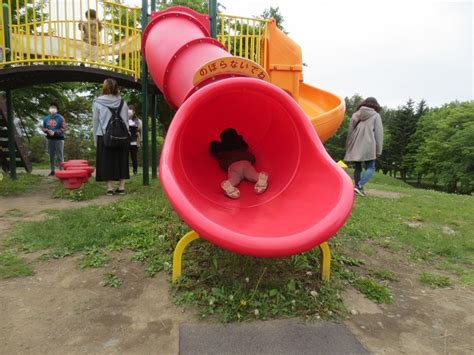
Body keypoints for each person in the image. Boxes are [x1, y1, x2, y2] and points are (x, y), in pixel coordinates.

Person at [92, 78, 130, 195]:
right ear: (116, 88)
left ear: (105, 88)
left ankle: (109, 188)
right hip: (122, 135)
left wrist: (95, 139)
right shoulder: (123, 103)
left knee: (106, 161)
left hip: (104, 136)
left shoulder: (97, 102)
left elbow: (96, 121)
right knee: (122, 160)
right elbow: (126, 121)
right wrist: (125, 135)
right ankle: (121, 187)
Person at [210, 128, 268, 199]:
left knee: (234, 179)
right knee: (252, 174)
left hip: (233, 165)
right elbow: (246, 146)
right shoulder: (240, 145)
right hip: (245, 162)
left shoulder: (223, 149)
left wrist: (214, 144)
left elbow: (213, 150)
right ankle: (259, 177)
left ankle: (229, 184)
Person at [344, 97, 384, 196]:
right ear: (376, 105)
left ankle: (358, 189)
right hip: (369, 144)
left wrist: (348, 145)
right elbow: (379, 134)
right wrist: (379, 150)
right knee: (371, 167)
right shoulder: (376, 116)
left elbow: (350, 132)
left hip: (356, 143)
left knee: (357, 168)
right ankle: (359, 186)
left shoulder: (355, 115)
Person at [41, 103, 66, 176]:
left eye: (54, 107)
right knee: (51, 155)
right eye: (51, 107)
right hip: (49, 139)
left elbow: (63, 128)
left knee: (60, 155)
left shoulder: (61, 118)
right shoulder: (46, 118)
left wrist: (55, 133)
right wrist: (46, 131)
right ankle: (52, 171)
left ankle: (61, 171)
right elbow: (44, 127)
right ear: (49, 109)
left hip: (59, 139)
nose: (52, 109)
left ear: (57, 109)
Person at [128, 105, 142, 175]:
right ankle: (125, 171)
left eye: (131, 110)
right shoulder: (124, 120)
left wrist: (140, 141)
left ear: (134, 112)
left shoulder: (138, 121)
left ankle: (135, 170)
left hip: (134, 141)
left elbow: (140, 131)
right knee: (124, 157)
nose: (129, 111)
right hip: (126, 141)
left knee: (134, 157)